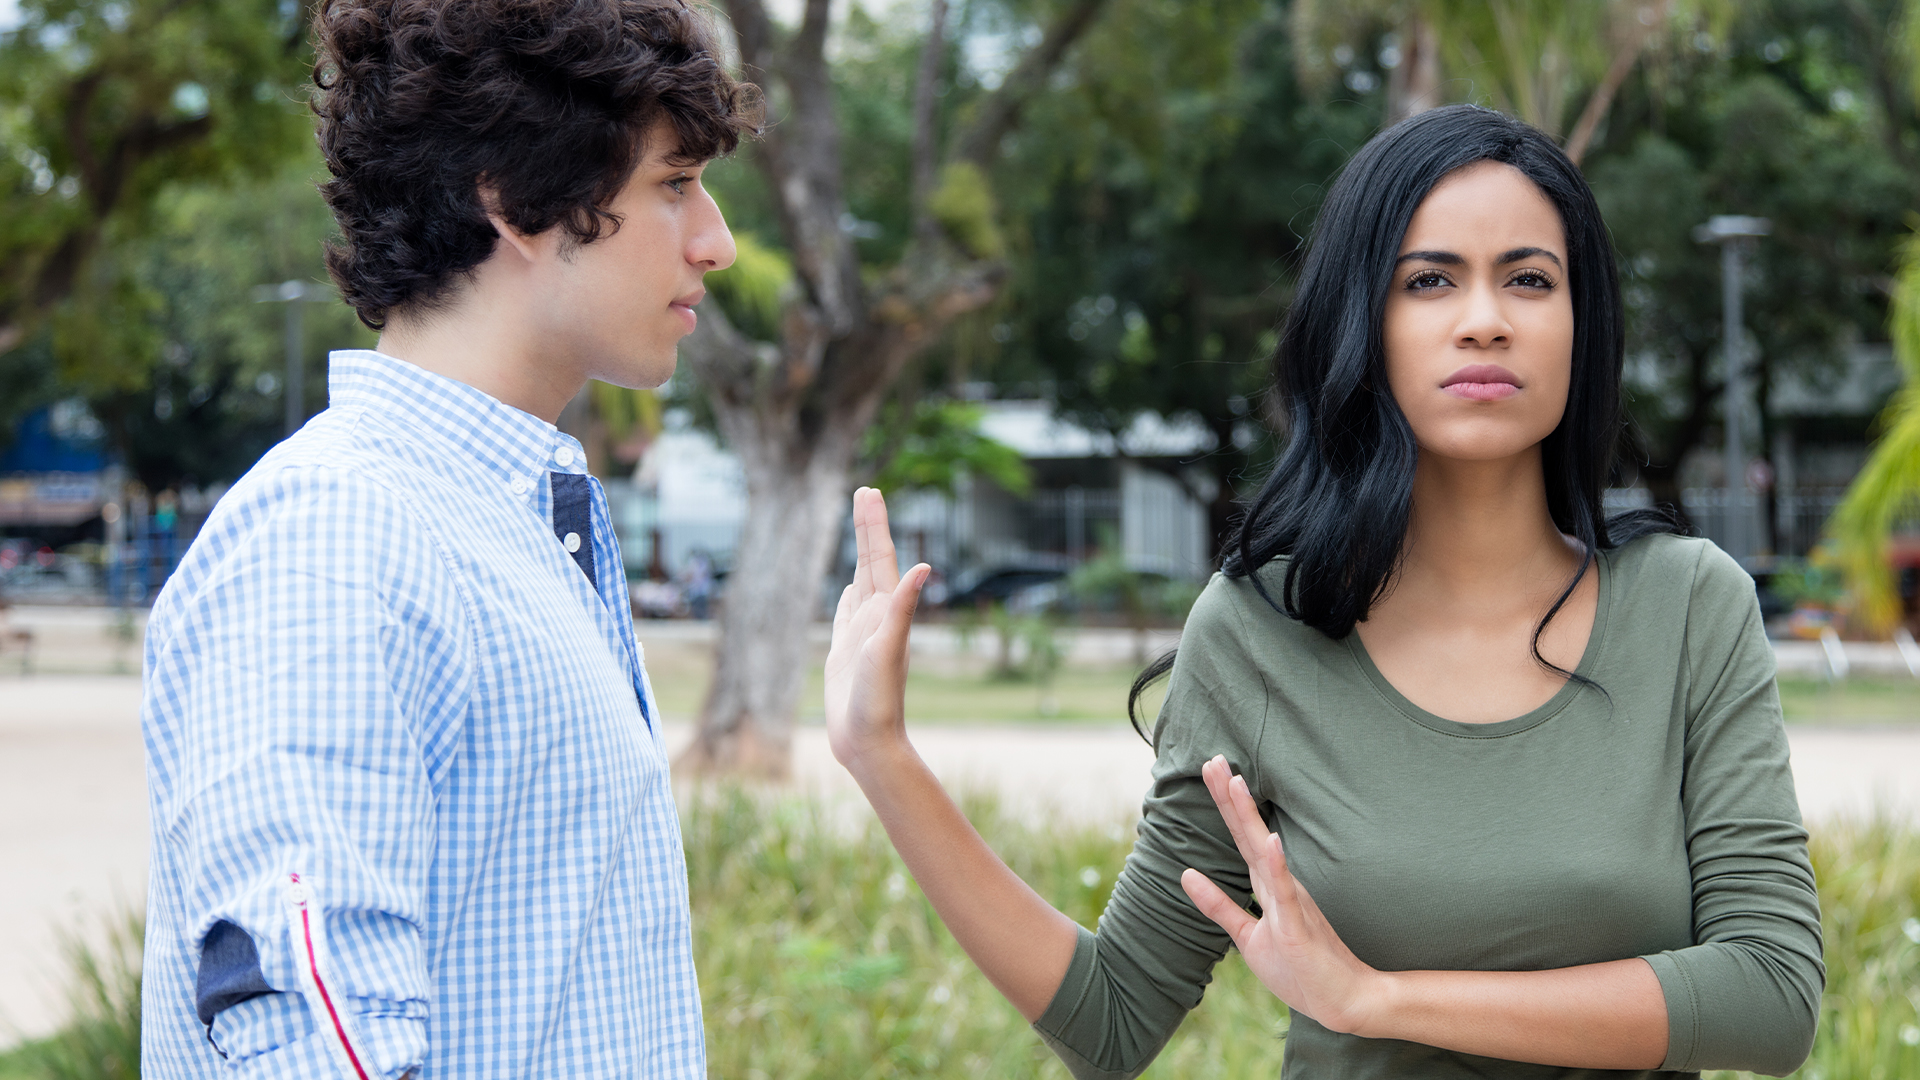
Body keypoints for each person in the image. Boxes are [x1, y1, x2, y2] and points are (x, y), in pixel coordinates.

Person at [824, 104, 1823, 1079]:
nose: (1484, 321)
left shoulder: (1689, 607)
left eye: (1529, 279)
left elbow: (1771, 997)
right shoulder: (1261, 628)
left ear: (1580, 324)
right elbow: (1111, 1017)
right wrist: (881, 756)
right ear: (1364, 321)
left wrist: (1377, 999)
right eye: (1429, 281)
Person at [139, 1, 755, 1076]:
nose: (717, 241)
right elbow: (311, 1041)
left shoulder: (503, 521)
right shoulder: (339, 539)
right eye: (672, 184)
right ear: (517, 201)